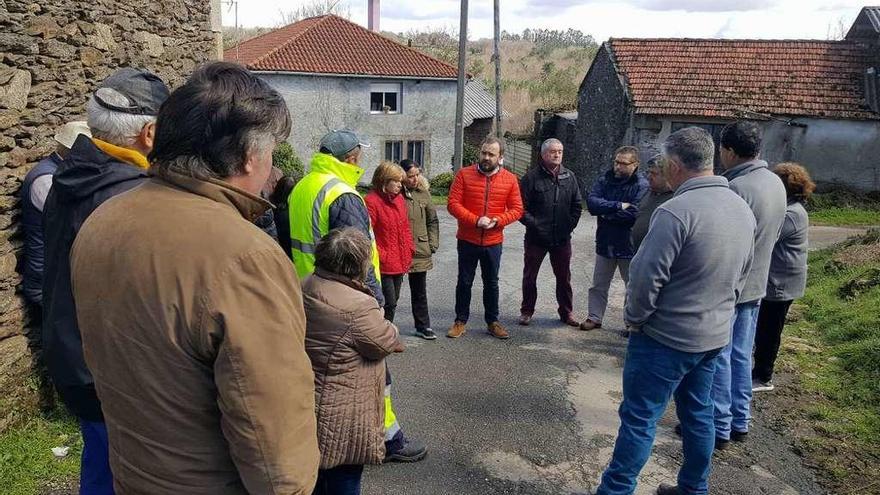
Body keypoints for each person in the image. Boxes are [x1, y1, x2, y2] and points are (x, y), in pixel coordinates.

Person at [69, 62, 319, 494]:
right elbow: (272, 434)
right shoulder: (245, 255)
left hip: (132, 472)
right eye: (271, 154)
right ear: (247, 157)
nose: (272, 171)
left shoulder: (102, 220)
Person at [595, 127, 755, 495]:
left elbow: (644, 280)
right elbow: (742, 275)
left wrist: (635, 321)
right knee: (699, 416)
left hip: (664, 339)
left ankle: (615, 491)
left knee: (639, 419)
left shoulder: (675, 212)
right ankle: (693, 489)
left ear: (674, 164)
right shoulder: (741, 208)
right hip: (713, 336)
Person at [42, 68, 169, 495]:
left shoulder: (69, 176)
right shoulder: (131, 196)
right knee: (126, 471)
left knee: (99, 459)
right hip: (110, 367)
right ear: (149, 133)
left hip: (72, 352)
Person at [288, 129, 427, 463]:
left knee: (319, 374)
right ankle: (389, 440)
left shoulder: (304, 187)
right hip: (344, 301)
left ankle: (314, 438)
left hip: (305, 293)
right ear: (349, 157)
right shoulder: (343, 194)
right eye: (358, 154)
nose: (360, 160)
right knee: (373, 371)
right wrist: (373, 303)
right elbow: (356, 256)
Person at [304, 227, 405, 495]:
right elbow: (383, 342)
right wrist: (389, 324)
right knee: (344, 480)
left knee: (313, 478)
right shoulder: (359, 306)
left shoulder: (307, 284)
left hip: (308, 400)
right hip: (343, 411)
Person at [711, 121, 787, 449]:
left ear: (728, 151)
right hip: (757, 284)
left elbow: (723, 245)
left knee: (719, 356)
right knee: (741, 354)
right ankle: (740, 419)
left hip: (733, 286)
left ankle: (719, 425)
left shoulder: (736, 189)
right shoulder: (774, 182)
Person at [20, 120, 91, 412]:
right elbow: (70, 221)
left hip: (56, 270)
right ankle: (70, 401)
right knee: (67, 341)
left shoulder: (60, 174)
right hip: (45, 274)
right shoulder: (45, 179)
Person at [447, 136, 524, 339]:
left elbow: (517, 210)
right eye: (484, 152)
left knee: (491, 283)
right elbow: (453, 204)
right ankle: (460, 321)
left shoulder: (510, 179)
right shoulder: (464, 175)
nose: (486, 157)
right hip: (467, 239)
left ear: (500, 157)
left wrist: (498, 220)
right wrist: (475, 220)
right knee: (464, 281)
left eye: (491, 154)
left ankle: (493, 322)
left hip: (493, 242)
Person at [752, 163, 814, 392]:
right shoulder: (790, 209)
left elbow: (767, 235)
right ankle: (759, 371)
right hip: (777, 279)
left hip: (782, 282)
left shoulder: (792, 214)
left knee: (770, 330)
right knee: (765, 327)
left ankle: (763, 377)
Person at [580, 146, 648, 331]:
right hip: (605, 241)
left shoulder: (641, 185)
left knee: (631, 286)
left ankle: (630, 322)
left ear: (635, 164)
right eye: (616, 162)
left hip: (629, 243)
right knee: (598, 285)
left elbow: (634, 214)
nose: (618, 167)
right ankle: (594, 317)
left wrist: (606, 214)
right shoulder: (605, 179)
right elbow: (592, 203)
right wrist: (618, 205)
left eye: (623, 163)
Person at [518, 138, 583, 327]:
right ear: (543, 154)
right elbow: (520, 208)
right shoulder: (531, 178)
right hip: (536, 238)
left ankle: (566, 312)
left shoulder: (569, 177)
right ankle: (527, 311)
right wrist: (536, 225)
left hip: (562, 239)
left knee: (564, 277)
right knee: (530, 276)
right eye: (553, 151)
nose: (557, 155)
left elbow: (577, 205)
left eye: (560, 151)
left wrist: (569, 225)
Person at [365, 161, 415, 323]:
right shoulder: (371, 201)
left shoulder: (400, 200)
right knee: (388, 303)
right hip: (383, 263)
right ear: (384, 180)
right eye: (396, 181)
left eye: (401, 181)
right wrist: (380, 254)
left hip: (400, 260)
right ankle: (383, 334)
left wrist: (409, 249)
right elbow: (367, 233)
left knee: (395, 300)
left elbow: (405, 228)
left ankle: (385, 332)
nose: (400, 185)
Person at [400, 159, 440, 340]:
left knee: (419, 291)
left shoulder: (424, 194)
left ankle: (423, 326)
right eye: (410, 176)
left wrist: (432, 243)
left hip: (420, 249)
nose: (415, 179)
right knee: (390, 294)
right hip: (398, 250)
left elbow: (432, 221)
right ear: (402, 176)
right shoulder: (395, 194)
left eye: (417, 174)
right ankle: (385, 328)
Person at [631, 154, 674, 252]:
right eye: (648, 172)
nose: (649, 177)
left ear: (667, 175)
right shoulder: (647, 192)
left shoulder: (675, 199)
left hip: (658, 256)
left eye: (654, 174)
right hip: (637, 253)